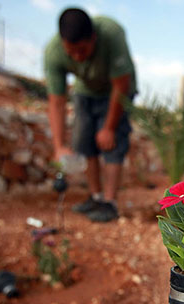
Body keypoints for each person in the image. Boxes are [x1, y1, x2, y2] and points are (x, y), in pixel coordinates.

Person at [44, 7, 137, 222]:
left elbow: (121, 85)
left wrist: (109, 127)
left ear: (93, 38)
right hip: (85, 92)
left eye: (83, 50)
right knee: (84, 142)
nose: (77, 57)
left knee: (112, 143)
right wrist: (58, 146)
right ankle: (95, 197)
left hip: (117, 92)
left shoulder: (112, 34)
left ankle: (109, 202)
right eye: (71, 52)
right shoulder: (53, 52)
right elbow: (56, 102)